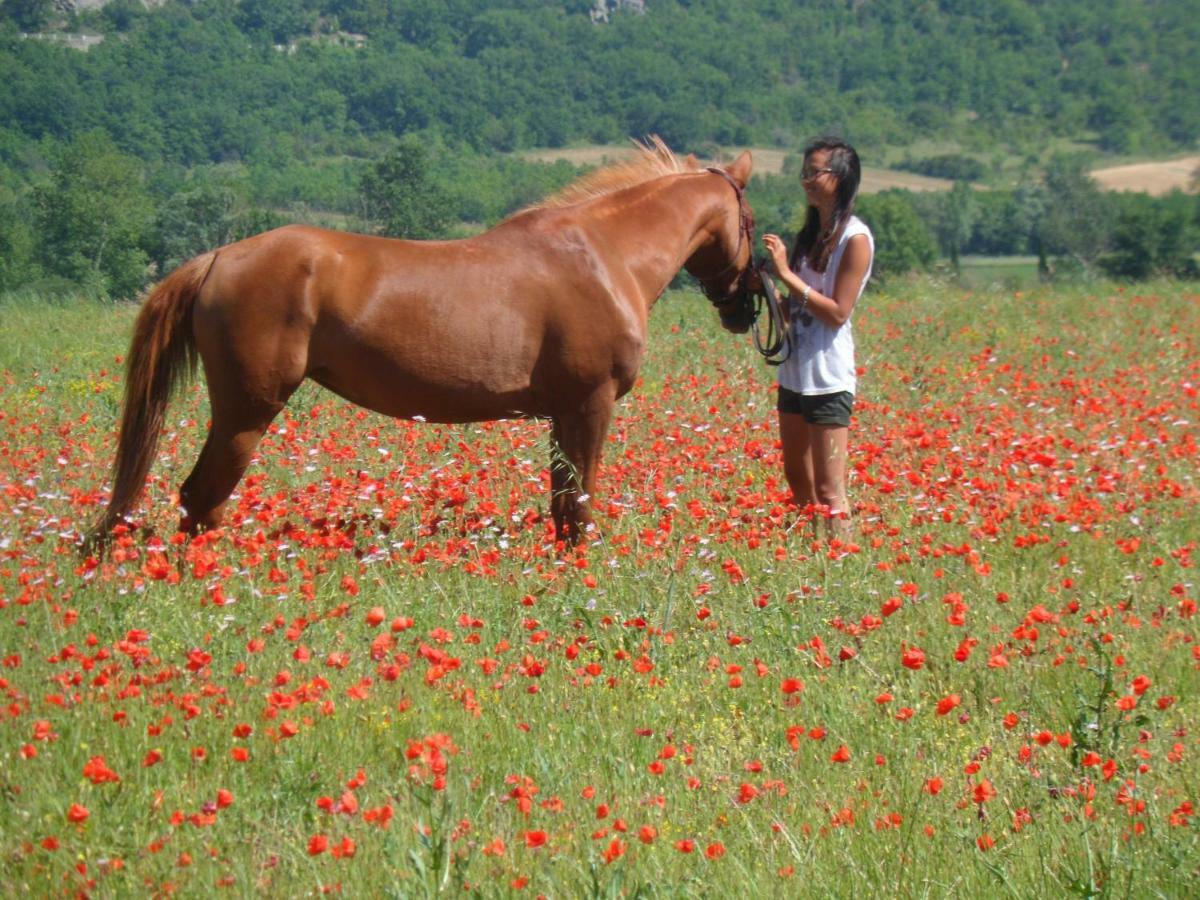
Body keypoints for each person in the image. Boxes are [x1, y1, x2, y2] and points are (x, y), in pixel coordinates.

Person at [762, 138, 873, 537]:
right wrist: (769, 291)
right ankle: (814, 559)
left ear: (840, 178)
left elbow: (838, 311)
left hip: (828, 377)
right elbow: (796, 307)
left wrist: (786, 275)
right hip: (795, 373)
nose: (807, 180)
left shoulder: (855, 239)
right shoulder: (810, 237)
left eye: (816, 172)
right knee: (798, 481)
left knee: (829, 490)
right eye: (804, 172)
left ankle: (841, 563)